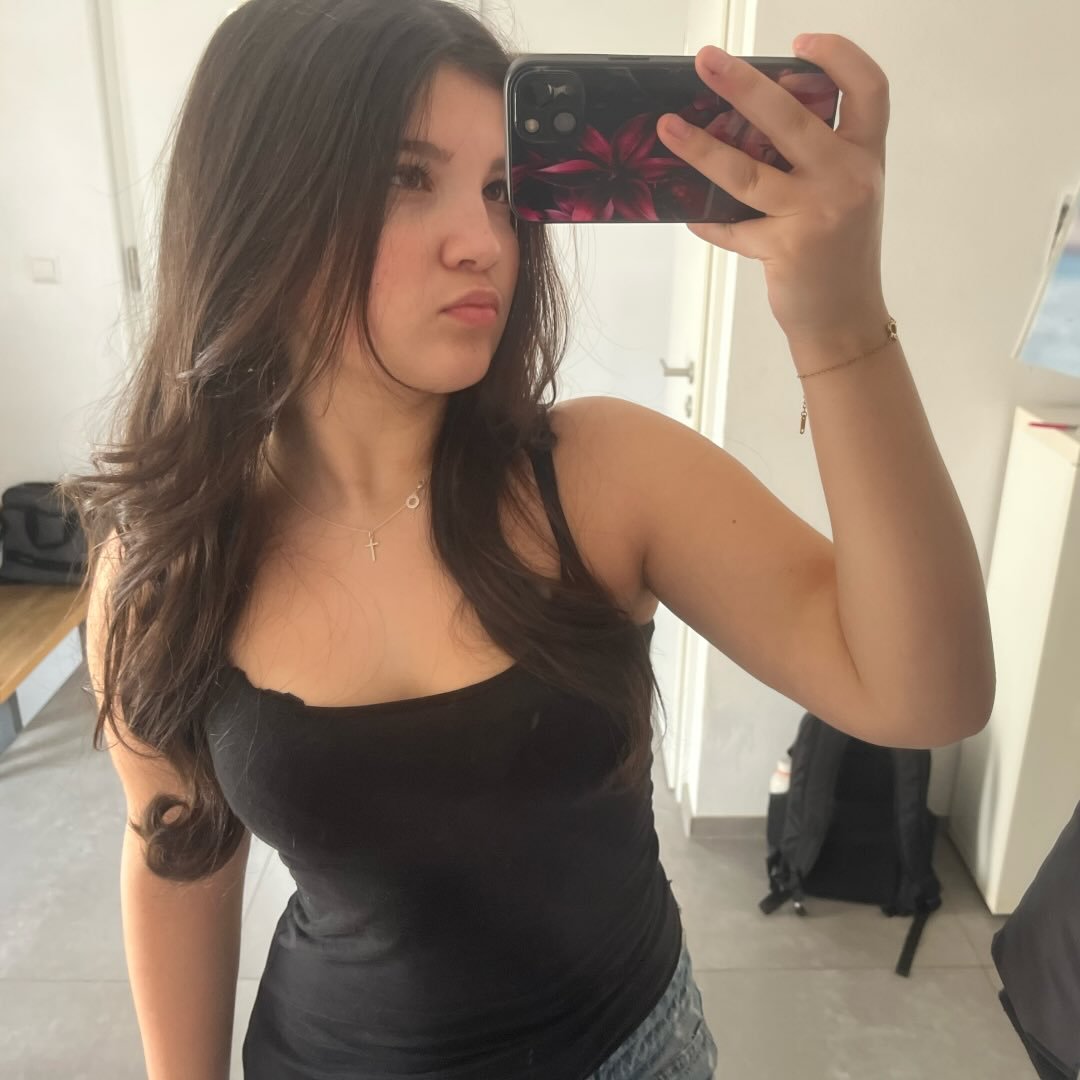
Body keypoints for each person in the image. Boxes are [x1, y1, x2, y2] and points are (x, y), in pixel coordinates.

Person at [65, 2, 994, 1077]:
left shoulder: (598, 476)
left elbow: (927, 697)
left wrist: (838, 326)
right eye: (407, 177)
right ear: (259, 202)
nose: (484, 242)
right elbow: (176, 849)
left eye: (504, 192)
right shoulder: (167, 566)